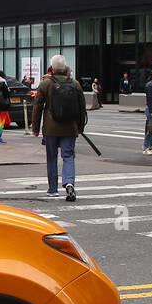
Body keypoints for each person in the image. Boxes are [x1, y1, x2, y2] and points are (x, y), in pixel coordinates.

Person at [31, 55, 87, 201]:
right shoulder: (75, 84)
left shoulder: (45, 84)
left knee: (52, 157)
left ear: (52, 68)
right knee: (68, 156)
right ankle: (69, 182)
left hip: (50, 129)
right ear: (65, 68)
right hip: (70, 128)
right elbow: (82, 109)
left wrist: (35, 128)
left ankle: (52, 189)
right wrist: (79, 127)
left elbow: (37, 107)